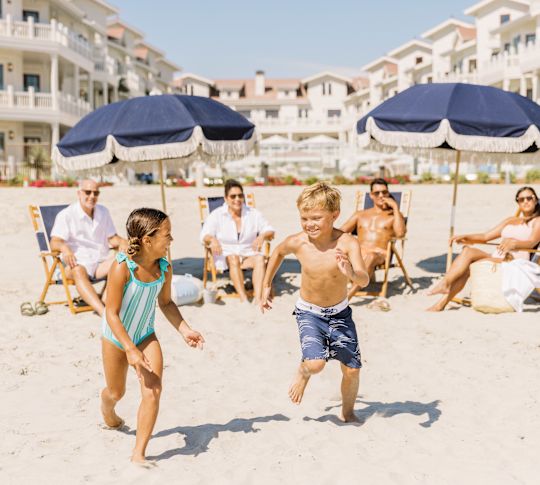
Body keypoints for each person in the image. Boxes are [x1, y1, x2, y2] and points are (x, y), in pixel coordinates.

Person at [101, 208, 205, 464]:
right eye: (167, 235)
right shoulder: (122, 268)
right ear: (147, 240)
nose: (171, 240)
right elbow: (111, 313)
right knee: (116, 392)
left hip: (146, 335)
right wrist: (129, 349)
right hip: (116, 337)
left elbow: (166, 303)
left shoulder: (164, 268)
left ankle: (139, 453)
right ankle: (107, 410)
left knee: (153, 390)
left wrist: (185, 329)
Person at [260, 182, 369, 423]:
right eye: (304, 218)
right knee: (316, 364)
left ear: (334, 215)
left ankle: (348, 412)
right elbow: (277, 252)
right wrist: (267, 283)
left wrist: (350, 272)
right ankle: (303, 371)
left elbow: (364, 279)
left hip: (340, 314)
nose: (309, 224)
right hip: (309, 313)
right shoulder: (299, 242)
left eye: (316, 218)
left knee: (351, 369)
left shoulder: (348, 243)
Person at [427, 186, 540, 311]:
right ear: (518, 202)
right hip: (496, 257)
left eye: (529, 198)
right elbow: (486, 236)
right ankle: (445, 284)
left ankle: (441, 301)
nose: (526, 201)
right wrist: (466, 236)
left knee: (469, 266)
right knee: (467, 251)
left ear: (536, 200)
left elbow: (531, 243)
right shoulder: (511, 220)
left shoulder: (537, 221)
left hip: (514, 261)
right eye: (521, 199)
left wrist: (514, 244)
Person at [50, 179, 127, 316]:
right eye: (88, 192)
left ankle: (105, 299)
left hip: (99, 263)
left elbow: (112, 238)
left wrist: (123, 242)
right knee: (78, 270)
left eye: (96, 193)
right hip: (75, 265)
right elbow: (54, 242)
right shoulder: (66, 215)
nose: (92, 196)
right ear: (79, 193)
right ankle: (103, 312)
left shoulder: (103, 212)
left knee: (123, 260)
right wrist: (65, 248)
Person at [200, 179, 275, 304]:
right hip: (226, 255)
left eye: (240, 195)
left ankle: (257, 298)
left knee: (260, 259)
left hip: (248, 254)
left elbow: (270, 230)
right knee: (233, 258)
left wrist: (262, 236)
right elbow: (204, 235)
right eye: (233, 196)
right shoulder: (217, 215)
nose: (237, 199)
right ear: (226, 198)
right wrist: (212, 239)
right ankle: (243, 298)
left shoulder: (253, 214)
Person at [340, 178, 406, 298]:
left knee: (371, 256)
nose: (381, 196)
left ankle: (347, 297)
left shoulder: (394, 215)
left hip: (379, 254)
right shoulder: (360, 214)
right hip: (359, 253)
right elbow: (341, 231)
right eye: (377, 193)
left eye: (384, 192)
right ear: (371, 195)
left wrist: (396, 208)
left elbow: (400, 234)